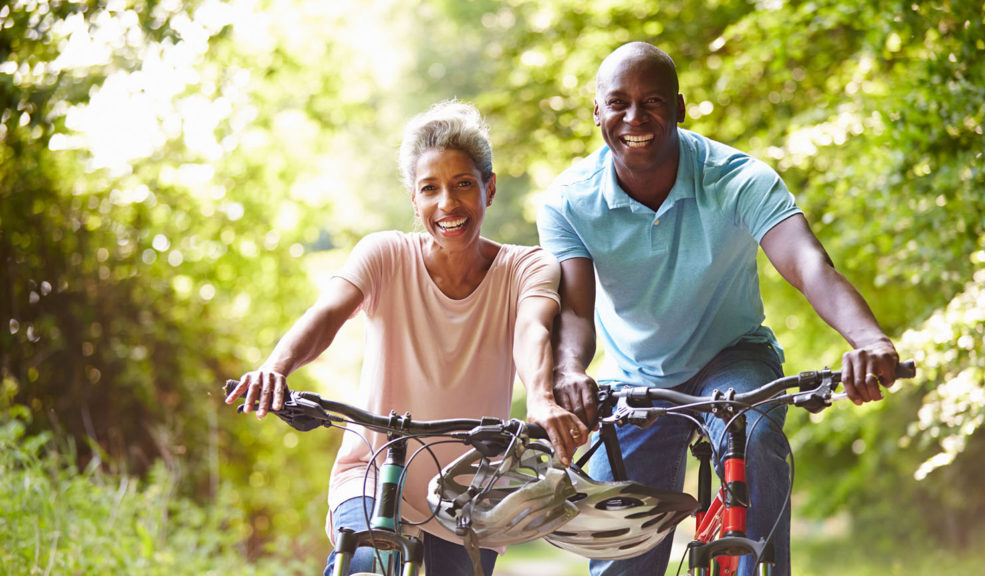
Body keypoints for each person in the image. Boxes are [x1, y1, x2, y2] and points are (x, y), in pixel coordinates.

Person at [537, 42, 901, 576]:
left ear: (681, 109)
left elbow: (808, 265)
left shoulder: (738, 179)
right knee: (624, 554)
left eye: (653, 102)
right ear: (597, 114)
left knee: (754, 435)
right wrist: (568, 371)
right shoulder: (568, 201)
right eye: (618, 103)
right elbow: (574, 312)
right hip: (640, 373)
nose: (634, 118)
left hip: (732, 357)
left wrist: (869, 340)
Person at [225, 100, 587, 576]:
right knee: (366, 563)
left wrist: (540, 399)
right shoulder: (384, 255)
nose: (448, 204)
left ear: (489, 189)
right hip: (373, 471)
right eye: (430, 189)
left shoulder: (527, 267)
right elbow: (327, 314)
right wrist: (277, 367)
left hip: (469, 492)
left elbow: (532, 329)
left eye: (463, 185)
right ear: (414, 202)